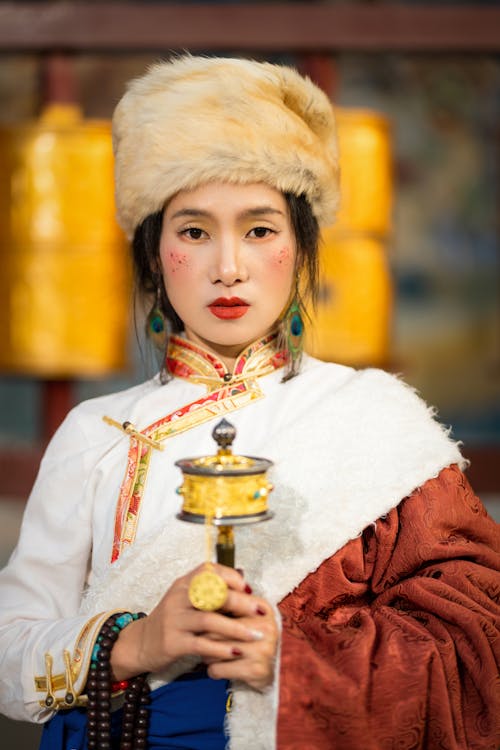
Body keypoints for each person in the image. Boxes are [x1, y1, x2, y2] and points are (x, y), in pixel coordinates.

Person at [0, 54, 498, 750]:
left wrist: (293, 662)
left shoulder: (374, 419)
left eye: (260, 229)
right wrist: (137, 641)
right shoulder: (97, 432)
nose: (227, 266)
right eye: (194, 231)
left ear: (300, 248)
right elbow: (9, 655)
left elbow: (476, 636)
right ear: (153, 254)